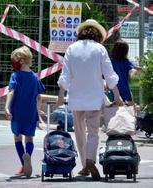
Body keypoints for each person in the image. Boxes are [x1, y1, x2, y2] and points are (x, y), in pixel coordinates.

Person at [57, 19, 124, 181]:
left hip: (76, 99)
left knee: (79, 133)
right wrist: (117, 96)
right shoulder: (100, 49)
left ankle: (84, 165)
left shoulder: (72, 49)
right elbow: (109, 74)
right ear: (98, 34)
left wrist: (60, 95)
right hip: (94, 98)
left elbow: (65, 75)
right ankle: (90, 160)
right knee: (93, 132)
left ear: (81, 33)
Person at [5, 46, 45, 177]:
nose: (13, 62)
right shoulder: (35, 77)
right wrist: (38, 112)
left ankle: (23, 163)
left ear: (21, 61)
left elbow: (11, 91)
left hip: (17, 112)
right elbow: (39, 97)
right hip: (31, 113)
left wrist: (6, 107)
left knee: (17, 137)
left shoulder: (15, 75)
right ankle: (28, 156)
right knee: (29, 138)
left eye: (14, 60)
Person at [110, 40, 142, 106]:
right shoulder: (126, 62)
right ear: (125, 52)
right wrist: (138, 70)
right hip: (125, 89)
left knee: (115, 109)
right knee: (130, 108)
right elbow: (132, 70)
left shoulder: (111, 62)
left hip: (114, 89)